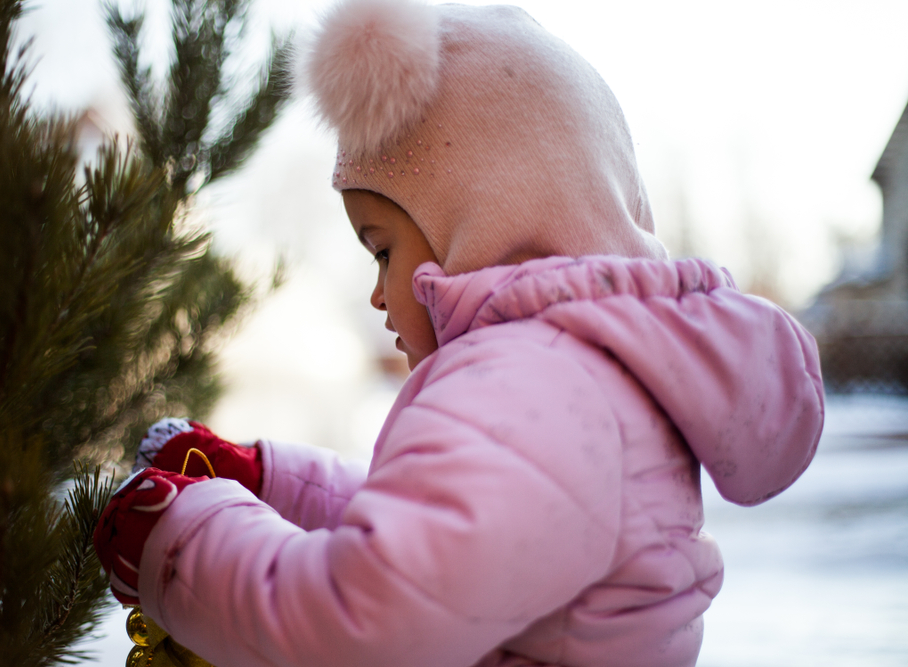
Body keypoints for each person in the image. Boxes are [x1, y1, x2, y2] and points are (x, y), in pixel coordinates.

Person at [93, 1, 825, 665]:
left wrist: (177, 541)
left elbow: (369, 620)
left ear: (482, 221)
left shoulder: (532, 383)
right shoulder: (577, 379)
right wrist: (269, 482)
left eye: (383, 249)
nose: (377, 294)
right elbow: (439, 531)